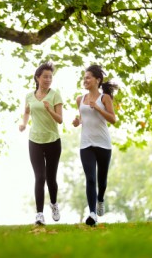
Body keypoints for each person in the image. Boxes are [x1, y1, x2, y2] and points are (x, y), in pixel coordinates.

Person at [72, 64, 118, 226]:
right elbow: (83, 118)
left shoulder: (104, 98)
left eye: (88, 77)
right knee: (90, 179)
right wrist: (77, 121)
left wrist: (98, 108)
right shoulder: (80, 99)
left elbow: (112, 119)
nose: (85, 80)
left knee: (102, 181)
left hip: (103, 144)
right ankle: (92, 213)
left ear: (97, 80)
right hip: (86, 144)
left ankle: (100, 199)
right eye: (84, 78)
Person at [19, 62, 63, 225]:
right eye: (45, 77)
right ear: (38, 78)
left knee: (51, 178)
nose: (48, 79)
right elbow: (27, 111)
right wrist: (23, 123)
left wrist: (49, 109)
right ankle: (39, 214)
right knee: (40, 177)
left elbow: (60, 120)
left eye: (50, 77)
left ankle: (54, 204)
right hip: (35, 140)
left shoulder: (55, 95)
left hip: (52, 140)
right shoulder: (29, 96)